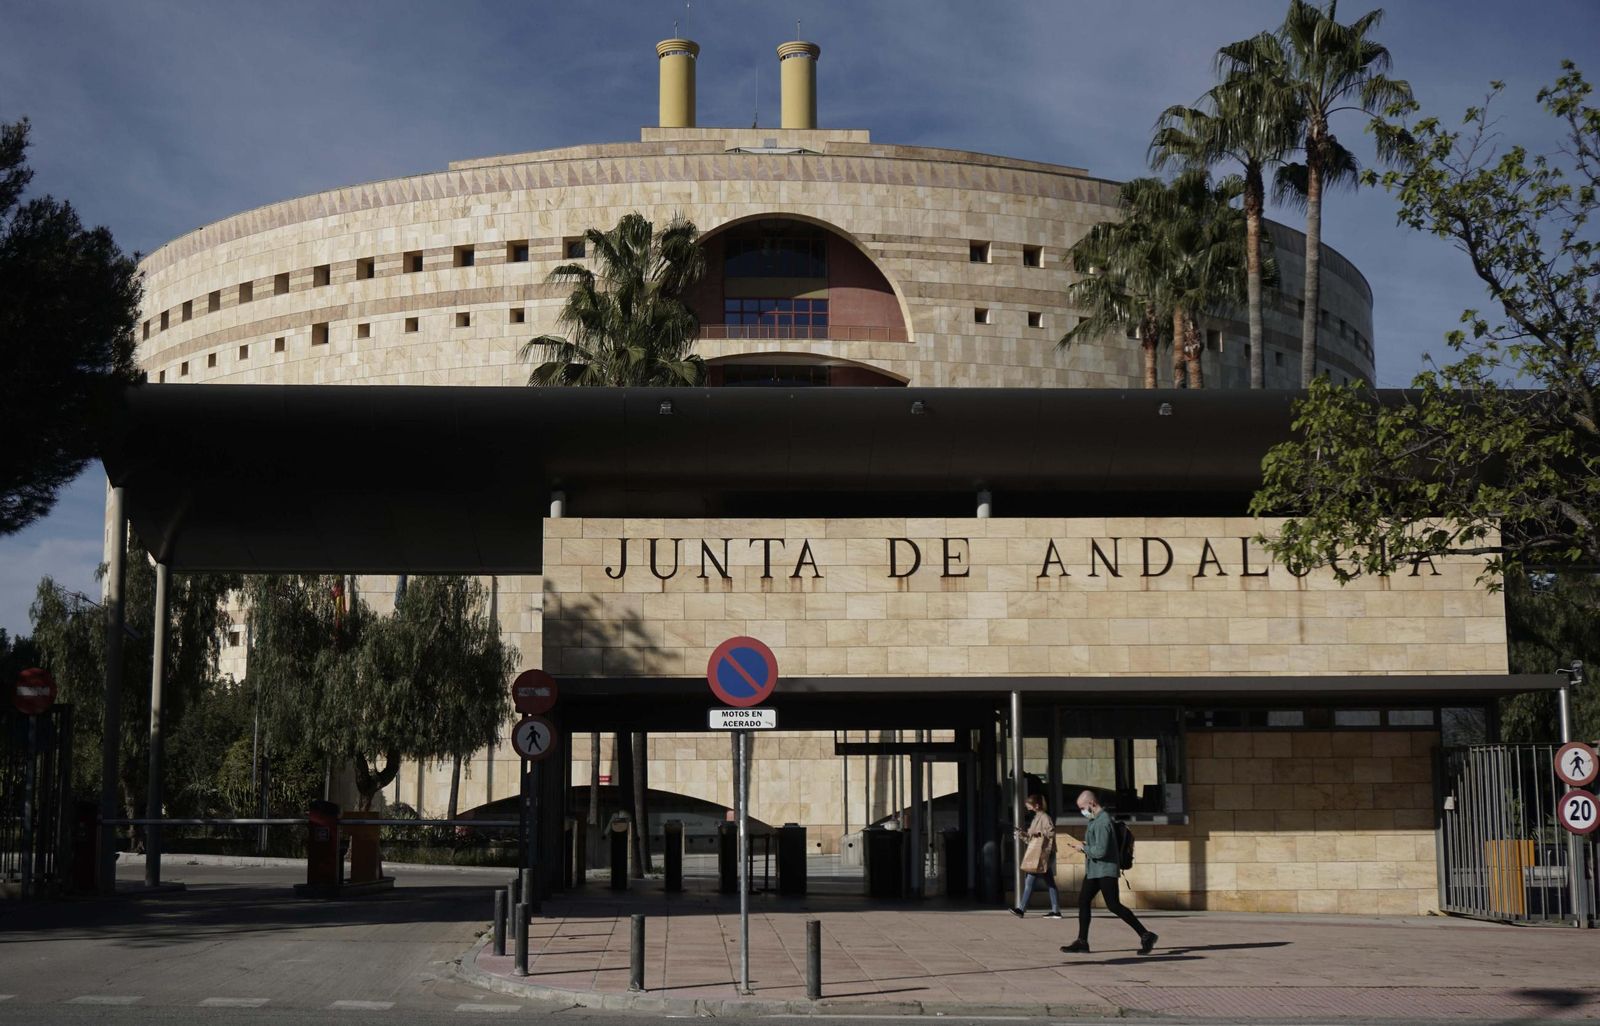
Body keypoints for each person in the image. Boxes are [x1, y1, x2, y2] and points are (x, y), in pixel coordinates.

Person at [1059, 789, 1157, 955]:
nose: (1082, 811)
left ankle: (1146, 935)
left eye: (1082, 808)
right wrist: (1085, 846)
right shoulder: (1095, 820)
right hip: (1095, 870)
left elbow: (1101, 851)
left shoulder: (1103, 821)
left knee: (1114, 905)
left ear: (1092, 803)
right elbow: (1099, 846)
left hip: (1105, 870)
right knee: (1083, 901)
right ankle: (1082, 941)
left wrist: (1084, 848)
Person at [1011, 793, 1061, 918]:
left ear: (1036, 805)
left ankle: (1021, 909)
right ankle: (1056, 911)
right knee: (1049, 882)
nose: (1027, 807)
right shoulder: (1037, 817)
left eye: (1029, 805)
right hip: (1040, 854)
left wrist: (1038, 832)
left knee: (1030, 881)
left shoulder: (1044, 817)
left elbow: (1051, 832)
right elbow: (1031, 839)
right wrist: (1022, 834)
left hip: (1043, 854)